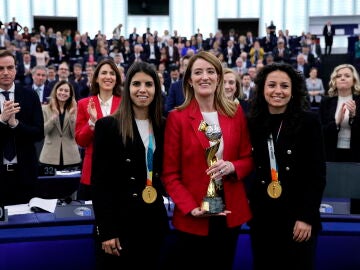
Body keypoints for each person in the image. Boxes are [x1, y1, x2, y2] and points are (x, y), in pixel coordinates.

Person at [161, 51, 253, 270]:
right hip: (194, 215)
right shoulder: (177, 118)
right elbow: (170, 174)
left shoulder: (235, 113)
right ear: (190, 81)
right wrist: (192, 208)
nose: (205, 77)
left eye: (210, 71)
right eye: (198, 72)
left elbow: (248, 158)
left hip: (229, 213)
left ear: (219, 78)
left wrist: (233, 166)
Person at [246, 63, 326, 270]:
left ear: (293, 91)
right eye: (272, 85)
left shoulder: (309, 122)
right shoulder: (252, 122)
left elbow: (316, 174)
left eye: (284, 86)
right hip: (263, 217)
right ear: (263, 88)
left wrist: (306, 217)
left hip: (297, 218)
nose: (278, 91)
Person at [91, 61, 169, 269]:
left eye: (149, 84)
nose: (142, 90)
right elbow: (100, 184)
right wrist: (106, 231)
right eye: (136, 84)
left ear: (156, 89)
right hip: (119, 226)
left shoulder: (165, 125)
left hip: (153, 223)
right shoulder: (107, 126)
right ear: (127, 89)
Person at [0, 50, 44, 205]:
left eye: (10, 67)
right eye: (1, 68)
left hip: (25, 173)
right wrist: (2, 120)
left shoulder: (30, 95)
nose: (5, 72)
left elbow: (39, 133)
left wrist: (15, 124)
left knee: (26, 223)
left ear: (16, 69)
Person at [75, 59, 122, 200]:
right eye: (104, 73)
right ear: (96, 78)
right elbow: (81, 141)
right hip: (92, 172)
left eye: (112, 73)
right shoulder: (84, 104)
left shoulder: (125, 104)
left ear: (117, 79)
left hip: (120, 172)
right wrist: (92, 122)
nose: (108, 77)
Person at [319, 64, 360, 162]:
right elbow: (320, 131)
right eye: (339, 76)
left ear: (354, 80)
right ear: (334, 81)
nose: (342, 78)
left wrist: (353, 116)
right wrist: (336, 122)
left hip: (356, 154)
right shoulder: (326, 102)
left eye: (347, 75)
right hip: (331, 153)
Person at [39, 80, 81, 171]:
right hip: (49, 157)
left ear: (70, 95)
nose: (63, 93)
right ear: (56, 91)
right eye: (60, 90)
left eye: (66, 91)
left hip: (71, 157)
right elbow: (42, 132)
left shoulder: (75, 110)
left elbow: (75, 135)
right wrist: (54, 116)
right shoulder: (44, 109)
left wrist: (72, 116)